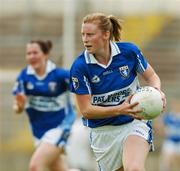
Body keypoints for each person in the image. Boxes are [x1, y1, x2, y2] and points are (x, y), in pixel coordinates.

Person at [70, 13, 166, 171]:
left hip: (134, 123)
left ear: (106, 34)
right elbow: (86, 111)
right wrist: (119, 109)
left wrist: (157, 92)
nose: (85, 39)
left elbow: (152, 76)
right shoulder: (80, 67)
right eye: (83, 34)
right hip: (103, 133)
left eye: (90, 34)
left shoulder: (129, 52)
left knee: (133, 168)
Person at [12, 40, 78, 171]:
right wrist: (19, 105)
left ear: (45, 54)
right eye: (28, 53)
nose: (31, 56)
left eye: (35, 52)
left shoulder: (60, 75)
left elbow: (82, 90)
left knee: (35, 166)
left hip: (61, 128)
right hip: (39, 133)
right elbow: (17, 108)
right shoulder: (24, 77)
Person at [156, 98, 180, 171]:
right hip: (170, 141)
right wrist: (163, 132)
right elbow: (159, 127)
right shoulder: (169, 117)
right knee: (166, 160)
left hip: (179, 142)